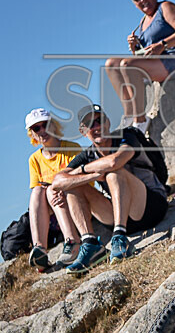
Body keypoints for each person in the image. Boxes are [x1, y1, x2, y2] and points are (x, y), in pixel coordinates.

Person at [52, 104, 168, 274]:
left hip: (151, 206)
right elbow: (57, 181)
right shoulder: (88, 155)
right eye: (90, 124)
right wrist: (90, 176)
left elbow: (115, 161)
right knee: (73, 186)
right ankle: (90, 244)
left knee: (113, 173)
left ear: (108, 122)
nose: (97, 127)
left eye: (100, 121)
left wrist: (83, 170)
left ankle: (119, 236)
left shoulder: (126, 136)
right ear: (83, 131)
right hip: (119, 215)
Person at [105, 0, 175, 134]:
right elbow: (145, 55)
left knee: (127, 64)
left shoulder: (166, 7)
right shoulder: (142, 23)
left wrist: (163, 44)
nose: (143, 0)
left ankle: (140, 120)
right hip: (160, 62)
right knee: (111, 64)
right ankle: (129, 114)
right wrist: (135, 48)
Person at [25, 109, 81, 271]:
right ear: (33, 135)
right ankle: (40, 249)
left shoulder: (72, 149)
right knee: (38, 191)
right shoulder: (34, 159)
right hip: (52, 213)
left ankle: (73, 241)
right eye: (37, 129)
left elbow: (85, 182)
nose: (42, 131)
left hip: (75, 202)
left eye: (46, 125)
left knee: (50, 190)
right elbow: (38, 189)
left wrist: (62, 189)